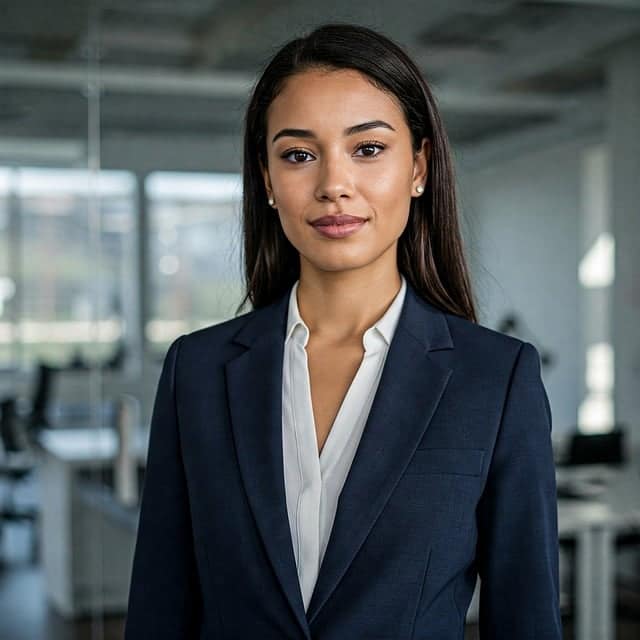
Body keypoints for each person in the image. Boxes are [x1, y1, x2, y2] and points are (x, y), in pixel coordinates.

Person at [125, 22, 562, 639]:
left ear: (419, 167)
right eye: (299, 155)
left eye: (368, 149)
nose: (334, 184)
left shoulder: (496, 378)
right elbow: (158, 609)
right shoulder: (196, 371)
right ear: (269, 180)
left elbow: (527, 619)